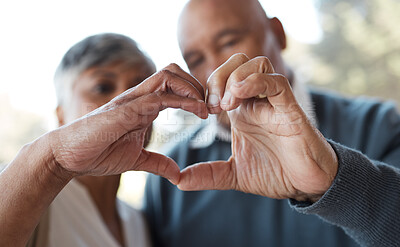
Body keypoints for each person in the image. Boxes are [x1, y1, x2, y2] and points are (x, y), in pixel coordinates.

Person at [144, 0, 400, 247]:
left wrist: (338, 183)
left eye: (229, 42)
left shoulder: (378, 125)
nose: (214, 71)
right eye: (196, 60)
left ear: (278, 34)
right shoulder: (169, 176)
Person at [0, 33, 208, 247]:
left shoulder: (140, 221)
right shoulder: (25, 197)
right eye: (103, 87)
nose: (126, 99)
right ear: (61, 116)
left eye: (143, 88)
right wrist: (54, 160)